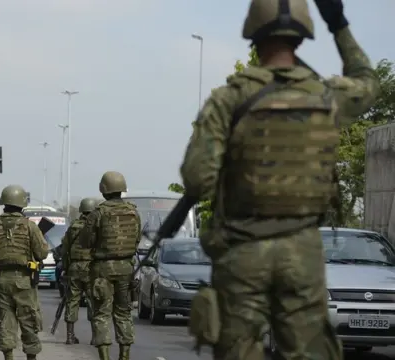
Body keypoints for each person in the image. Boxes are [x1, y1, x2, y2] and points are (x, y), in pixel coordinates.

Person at [180, 1, 379, 359]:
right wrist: (338, 23)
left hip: (242, 248)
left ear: (253, 34)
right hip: (302, 249)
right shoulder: (326, 97)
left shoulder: (229, 99)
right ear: (303, 36)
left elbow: (197, 179)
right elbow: (366, 80)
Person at [0, 185, 49, 360]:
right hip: (24, 280)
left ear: (3, 203)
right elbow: (42, 253)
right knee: (29, 320)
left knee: (5, 321)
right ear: (22, 204)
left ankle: (9, 357)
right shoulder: (30, 226)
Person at [79, 172, 141, 360]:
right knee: (123, 313)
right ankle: (124, 356)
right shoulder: (133, 212)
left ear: (103, 189)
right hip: (126, 269)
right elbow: (137, 239)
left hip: (102, 270)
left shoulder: (98, 213)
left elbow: (85, 241)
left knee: (101, 315)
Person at [61, 197, 97, 345]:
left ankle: (70, 336)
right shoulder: (97, 227)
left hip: (75, 268)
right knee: (93, 301)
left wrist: (66, 267)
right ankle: (96, 337)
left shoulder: (73, 227)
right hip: (91, 268)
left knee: (72, 301)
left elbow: (65, 249)